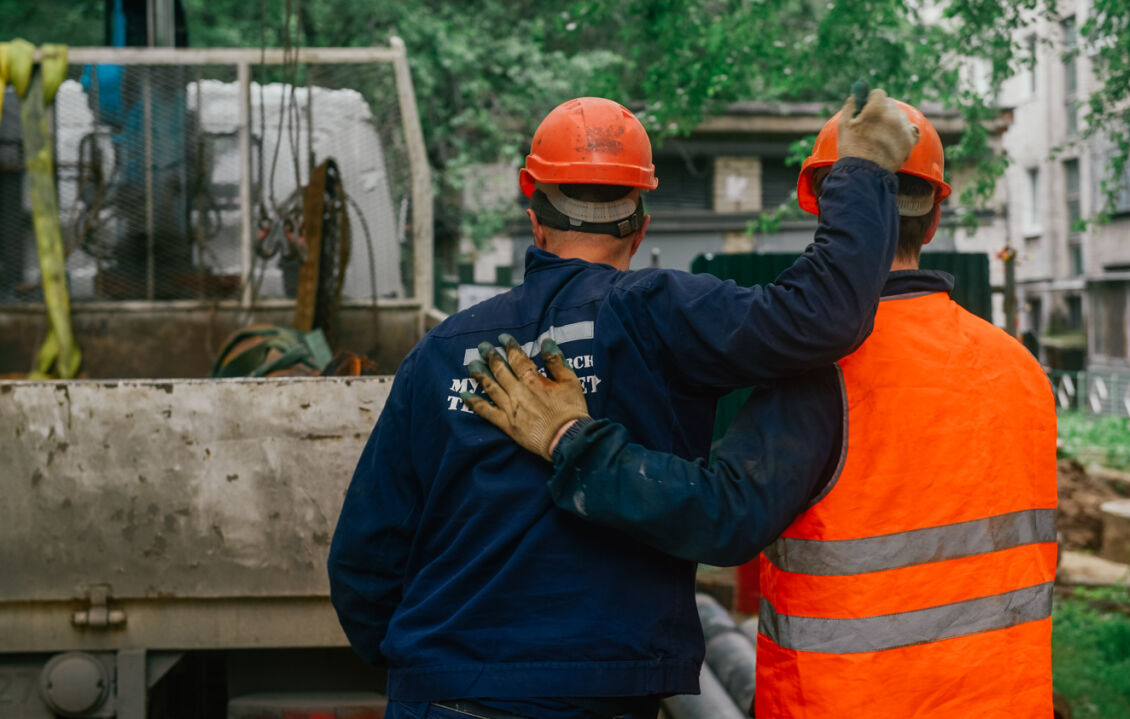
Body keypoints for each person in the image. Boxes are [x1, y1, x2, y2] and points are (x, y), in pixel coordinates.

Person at [328, 91, 920, 719]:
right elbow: (822, 317)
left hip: (438, 693)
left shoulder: (443, 352)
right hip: (591, 695)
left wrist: (431, 663)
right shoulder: (663, 313)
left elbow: (365, 561)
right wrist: (864, 171)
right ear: (640, 227)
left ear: (534, 212)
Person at [464, 103, 1059, 718]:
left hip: (849, 704)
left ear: (826, 208)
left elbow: (721, 517)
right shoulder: (1019, 369)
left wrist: (570, 438)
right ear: (934, 219)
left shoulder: (825, 373)